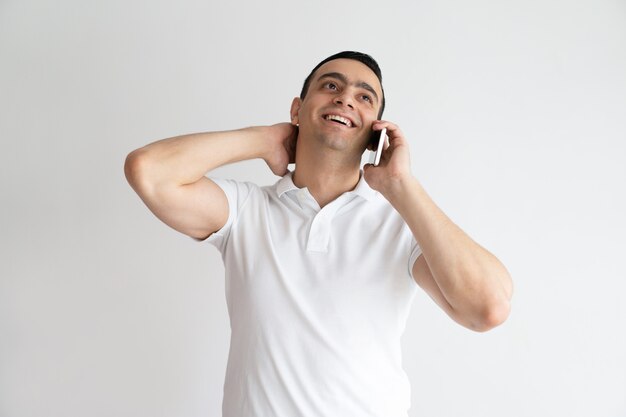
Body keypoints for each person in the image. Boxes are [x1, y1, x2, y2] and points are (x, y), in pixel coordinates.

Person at [124, 51, 513, 417]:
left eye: (364, 96)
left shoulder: (402, 226)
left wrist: (401, 185)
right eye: (331, 86)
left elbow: (488, 308)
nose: (345, 99)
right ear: (298, 108)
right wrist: (263, 139)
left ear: (378, 130)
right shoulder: (246, 211)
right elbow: (148, 171)